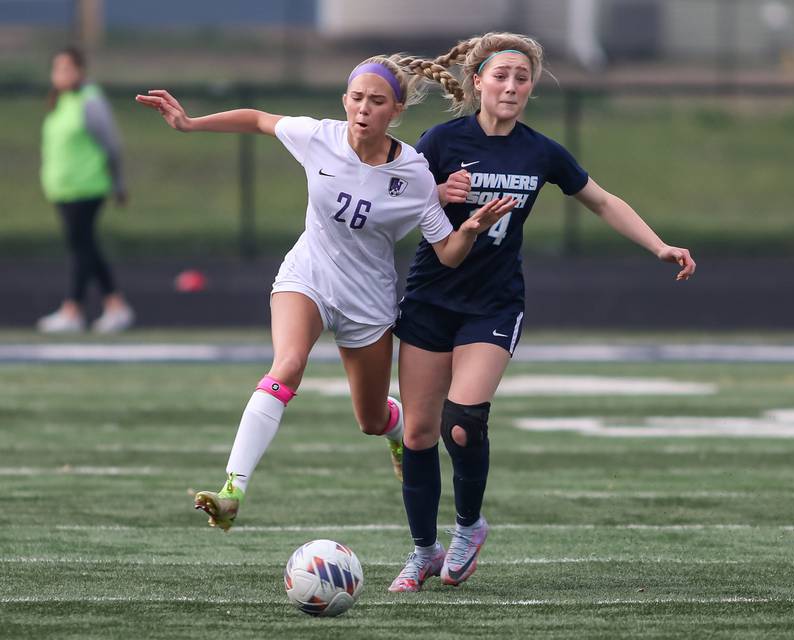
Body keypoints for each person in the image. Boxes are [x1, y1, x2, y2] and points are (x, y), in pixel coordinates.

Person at [135, 55, 515, 531]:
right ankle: (234, 488)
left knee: (371, 419)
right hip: (308, 277)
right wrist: (190, 124)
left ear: (395, 110)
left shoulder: (415, 174)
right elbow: (257, 119)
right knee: (287, 365)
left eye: (376, 101)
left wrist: (473, 229)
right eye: (356, 98)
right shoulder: (319, 137)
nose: (363, 109)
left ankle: (395, 430)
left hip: (368, 302)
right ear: (344, 101)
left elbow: (447, 252)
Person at [386, 33, 697, 592]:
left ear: (531, 87)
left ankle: (466, 528)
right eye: (500, 76)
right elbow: (399, 204)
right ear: (477, 81)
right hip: (431, 298)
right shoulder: (440, 140)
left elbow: (600, 199)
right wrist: (439, 193)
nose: (510, 86)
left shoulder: (541, 150)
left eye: (521, 78)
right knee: (419, 435)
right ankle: (421, 551)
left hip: (494, 304)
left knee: (462, 424)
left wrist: (659, 246)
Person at [37, 46, 134, 333]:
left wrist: (118, 183)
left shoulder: (90, 101)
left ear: (80, 71)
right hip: (64, 189)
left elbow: (112, 144)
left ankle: (73, 309)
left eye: (67, 68)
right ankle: (114, 305)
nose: (60, 75)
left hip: (87, 187)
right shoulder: (61, 102)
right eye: (57, 69)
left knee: (81, 247)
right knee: (84, 246)